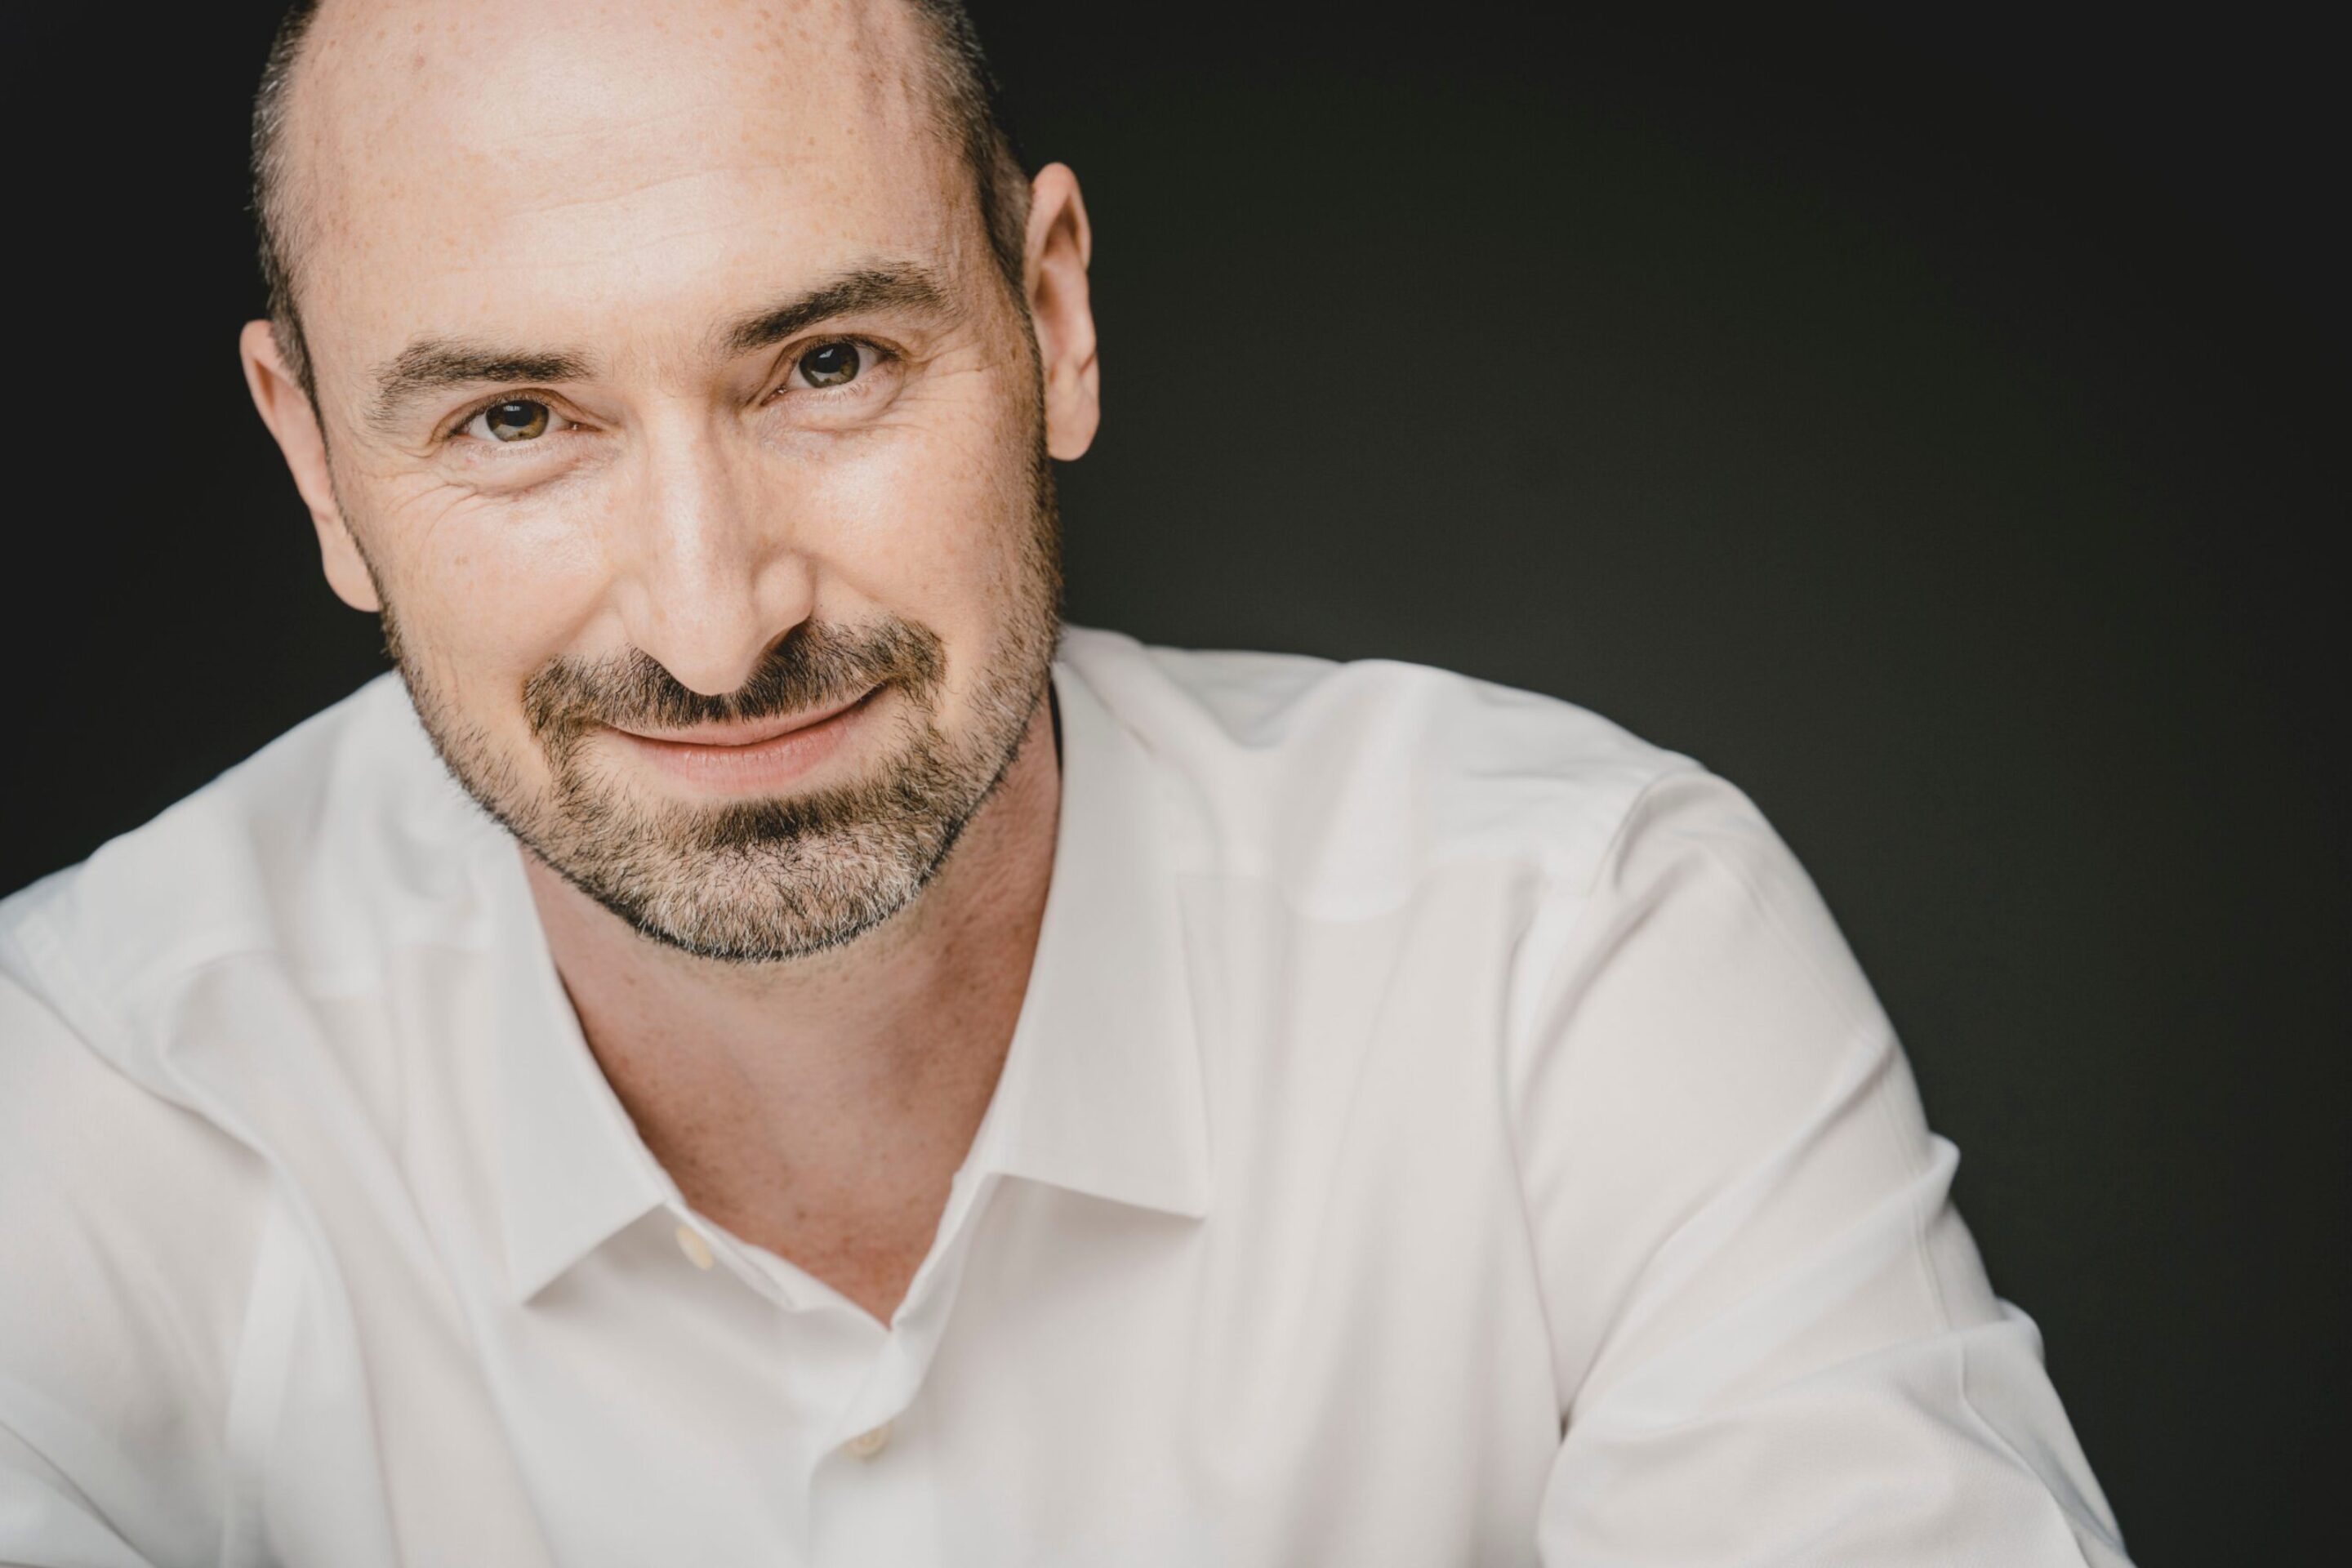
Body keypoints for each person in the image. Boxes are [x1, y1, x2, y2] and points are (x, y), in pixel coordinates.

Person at [0, 2, 2132, 1562]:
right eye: (512, 421)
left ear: (1055, 316)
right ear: (314, 461)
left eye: (828, 365)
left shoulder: (1572, 947)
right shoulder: (80, 1096)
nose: (717, 619)